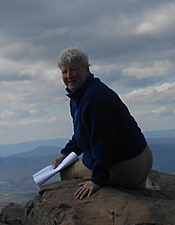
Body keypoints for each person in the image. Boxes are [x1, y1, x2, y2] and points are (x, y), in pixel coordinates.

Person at [51, 47, 153, 199]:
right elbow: (84, 133)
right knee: (66, 163)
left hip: (127, 165)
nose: (69, 76)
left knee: (67, 171)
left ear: (86, 69)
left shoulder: (93, 99)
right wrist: (65, 154)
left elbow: (104, 143)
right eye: (64, 72)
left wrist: (97, 180)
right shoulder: (84, 95)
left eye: (73, 70)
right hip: (141, 157)